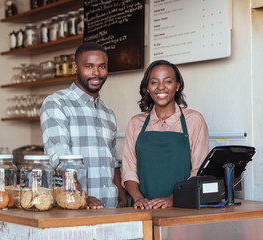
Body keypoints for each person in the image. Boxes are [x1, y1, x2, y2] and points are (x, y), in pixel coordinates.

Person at [40, 42, 127, 209]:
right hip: (75, 205)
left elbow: (112, 160)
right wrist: (81, 196)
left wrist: (122, 198)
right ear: (75, 68)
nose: (96, 73)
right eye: (89, 66)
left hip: (111, 206)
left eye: (102, 66)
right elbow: (59, 158)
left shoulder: (108, 113)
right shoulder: (56, 103)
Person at [121, 60, 209, 209]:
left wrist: (173, 199)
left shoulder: (194, 120)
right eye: (154, 82)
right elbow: (128, 171)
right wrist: (138, 198)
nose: (161, 87)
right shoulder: (136, 122)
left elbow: (199, 171)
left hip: (183, 207)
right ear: (147, 88)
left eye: (168, 81)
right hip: (143, 208)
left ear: (177, 86)